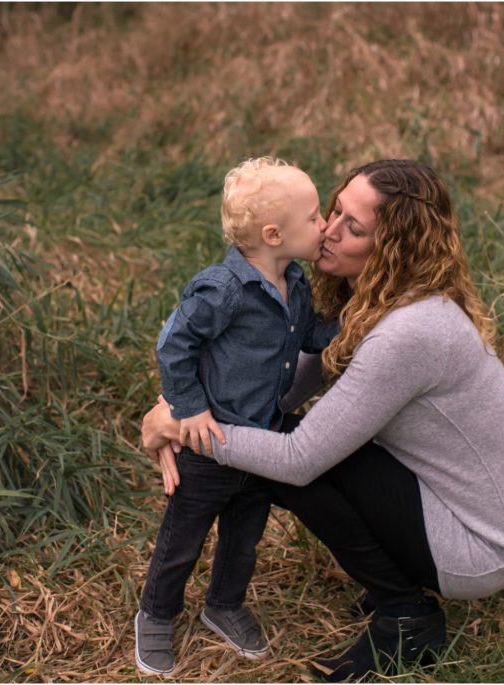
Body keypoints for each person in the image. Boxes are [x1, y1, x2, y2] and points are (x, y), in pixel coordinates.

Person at [142, 159, 504, 681]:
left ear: (393, 249)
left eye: (352, 228)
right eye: (333, 211)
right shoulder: (381, 301)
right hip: (446, 500)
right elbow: (290, 384)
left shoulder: (409, 332)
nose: (328, 231)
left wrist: (190, 432)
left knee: (293, 456)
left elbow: (297, 457)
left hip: (479, 545)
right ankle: (394, 587)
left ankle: (405, 613)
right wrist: (182, 403)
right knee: (287, 436)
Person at [135, 157, 338, 676]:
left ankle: (223, 604)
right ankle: (156, 613)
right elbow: (174, 343)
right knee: (183, 538)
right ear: (274, 234)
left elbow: (307, 336)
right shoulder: (222, 288)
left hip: (262, 441)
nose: (324, 225)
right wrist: (189, 407)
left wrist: (351, 330)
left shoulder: (295, 280)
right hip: (209, 441)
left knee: (243, 539)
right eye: (314, 217)